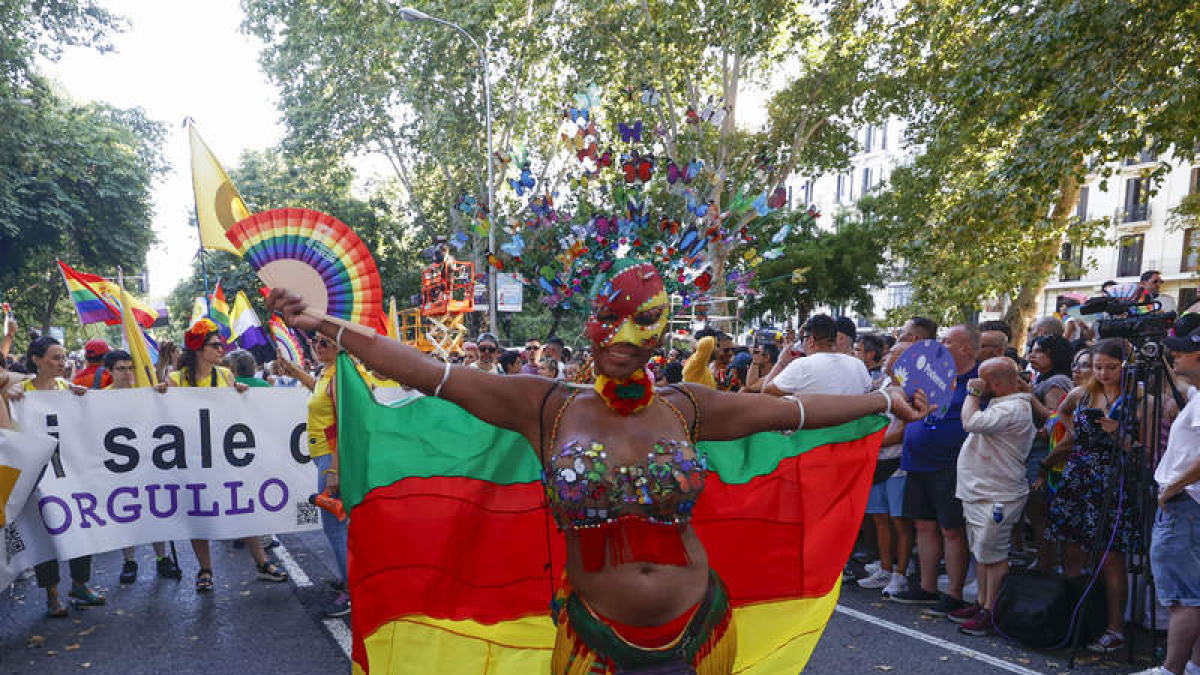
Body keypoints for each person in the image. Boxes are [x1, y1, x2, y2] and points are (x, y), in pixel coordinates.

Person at [267, 259, 932, 674]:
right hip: (595, 639)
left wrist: (881, 398)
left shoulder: (688, 407)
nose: (619, 342)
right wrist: (326, 321)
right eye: (608, 325)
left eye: (637, 327)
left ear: (660, 332)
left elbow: (790, 415)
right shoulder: (545, 406)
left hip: (698, 631)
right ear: (591, 327)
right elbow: (425, 370)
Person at [155, 318, 288, 592]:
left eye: (221, 345)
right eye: (215, 345)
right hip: (192, 457)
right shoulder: (177, 380)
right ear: (199, 350)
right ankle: (205, 569)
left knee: (242, 504)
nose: (221, 349)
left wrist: (240, 394)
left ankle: (262, 563)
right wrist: (159, 394)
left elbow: (235, 412)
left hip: (224, 454)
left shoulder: (225, 376)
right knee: (198, 512)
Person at [1041, 338, 1141, 653]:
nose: (1103, 373)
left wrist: (1119, 435)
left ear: (1124, 366)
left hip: (1113, 480)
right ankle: (1078, 617)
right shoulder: (1082, 393)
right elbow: (1062, 414)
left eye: (1111, 367)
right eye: (1098, 367)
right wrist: (1072, 433)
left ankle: (1114, 628)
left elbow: (1146, 451)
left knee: (1111, 558)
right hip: (1079, 476)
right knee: (1071, 548)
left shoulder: (1138, 397)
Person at [890, 325, 979, 617]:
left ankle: (953, 592)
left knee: (951, 529)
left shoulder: (977, 381)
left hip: (950, 463)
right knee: (923, 526)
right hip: (918, 459)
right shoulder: (931, 373)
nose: (939, 344)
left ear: (966, 349)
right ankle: (927, 587)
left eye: (947, 340)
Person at [14, 337, 99, 616]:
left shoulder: (68, 390)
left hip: (68, 473)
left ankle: (80, 584)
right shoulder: (18, 392)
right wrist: (8, 396)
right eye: (55, 358)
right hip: (34, 476)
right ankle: (51, 594)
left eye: (63, 357)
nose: (62, 363)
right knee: (44, 534)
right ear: (37, 360)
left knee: (79, 526)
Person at [952, 357, 1035, 636]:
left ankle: (991, 611)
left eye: (983, 380)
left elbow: (971, 422)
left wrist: (972, 394)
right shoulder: (1004, 403)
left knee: (994, 554)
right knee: (983, 552)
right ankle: (981, 603)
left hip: (999, 494)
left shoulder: (1013, 408)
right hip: (980, 490)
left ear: (996, 385)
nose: (978, 384)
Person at [1140, 326, 1200, 675]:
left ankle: (1171, 670)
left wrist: (1173, 486)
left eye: (1181, 350)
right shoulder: (1195, 394)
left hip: (1185, 503)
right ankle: (1192, 667)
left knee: (1185, 596)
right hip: (1186, 502)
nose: (1173, 354)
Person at [103, 349, 183, 583]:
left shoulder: (145, 393)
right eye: (121, 369)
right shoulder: (100, 399)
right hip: (119, 466)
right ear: (110, 371)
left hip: (148, 462)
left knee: (155, 511)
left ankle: (162, 559)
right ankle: (129, 561)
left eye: (130, 368)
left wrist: (161, 396)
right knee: (125, 514)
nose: (127, 373)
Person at [857, 341, 915, 599]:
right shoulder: (881, 383)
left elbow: (905, 429)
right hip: (876, 461)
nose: (889, 356)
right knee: (879, 517)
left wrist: (874, 442)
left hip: (897, 463)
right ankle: (885, 567)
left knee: (898, 520)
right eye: (891, 352)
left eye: (896, 354)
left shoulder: (912, 389)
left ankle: (900, 575)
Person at [302, 331, 353, 617]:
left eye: (325, 342)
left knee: (334, 527)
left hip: (332, 458)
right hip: (323, 455)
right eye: (315, 341)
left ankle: (351, 591)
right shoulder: (328, 373)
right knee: (340, 527)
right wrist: (296, 371)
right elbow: (318, 395)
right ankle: (349, 579)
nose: (317, 346)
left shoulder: (340, 377)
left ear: (339, 347)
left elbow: (343, 425)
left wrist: (334, 469)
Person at [762, 314, 872, 397]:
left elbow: (765, 394)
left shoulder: (802, 366)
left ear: (810, 341)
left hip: (812, 427)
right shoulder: (858, 365)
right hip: (852, 426)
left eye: (802, 339)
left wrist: (781, 362)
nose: (801, 344)